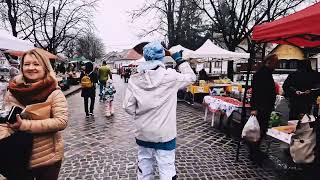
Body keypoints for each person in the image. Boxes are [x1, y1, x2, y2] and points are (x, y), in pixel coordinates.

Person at [123, 42, 196, 180]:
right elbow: (191, 77)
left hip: (143, 132)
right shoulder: (171, 77)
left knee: (144, 168)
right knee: (167, 169)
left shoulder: (135, 79)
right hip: (164, 134)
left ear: (145, 57)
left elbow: (128, 107)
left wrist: (142, 115)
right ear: (162, 57)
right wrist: (179, 59)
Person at [0, 48, 68, 180]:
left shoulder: (54, 92)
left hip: (48, 157)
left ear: (45, 67)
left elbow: (61, 121)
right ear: (21, 67)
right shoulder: (13, 90)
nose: (31, 68)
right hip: (18, 156)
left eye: (36, 64)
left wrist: (24, 125)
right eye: (27, 64)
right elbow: (5, 121)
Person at [249, 54, 279, 162]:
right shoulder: (261, 74)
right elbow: (256, 93)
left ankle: (256, 150)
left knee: (261, 130)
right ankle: (254, 153)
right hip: (261, 108)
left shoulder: (266, 73)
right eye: (276, 62)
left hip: (265, 107)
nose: (277, 65)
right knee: (257, 130)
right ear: (269, 62)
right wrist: (254, 108)